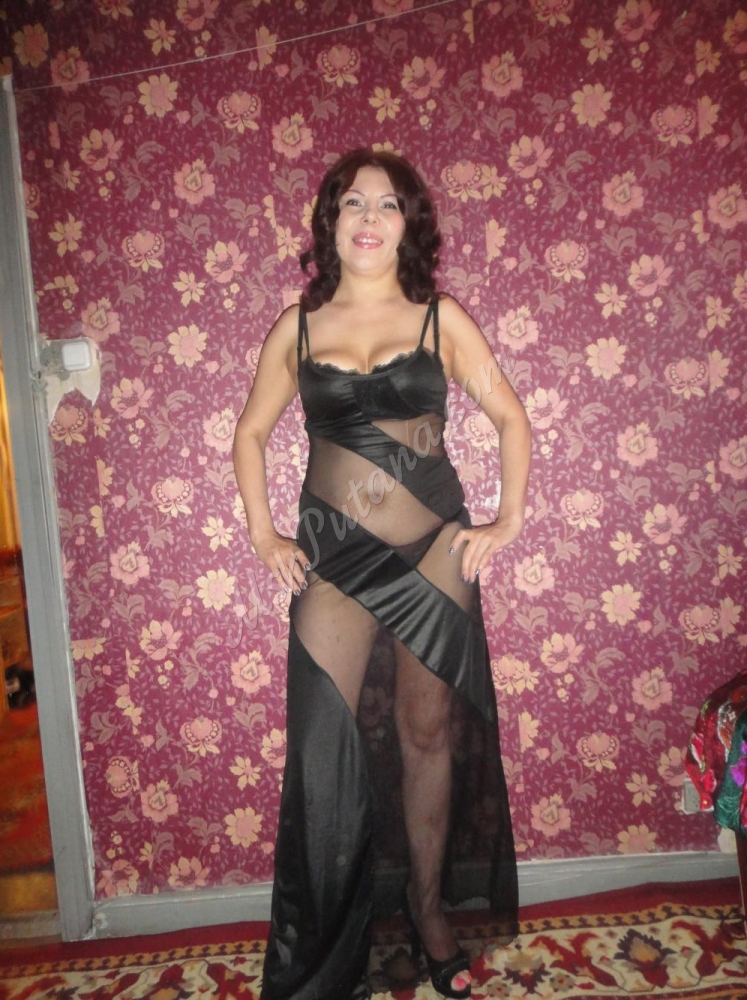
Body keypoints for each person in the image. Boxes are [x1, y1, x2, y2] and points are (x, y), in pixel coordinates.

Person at [232, 148, 531, 1000]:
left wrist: (507, 519)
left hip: (435, 551)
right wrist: (263, 533)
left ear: (409, 224)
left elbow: (510, 417)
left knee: (426, 735)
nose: (369, 217)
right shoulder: (297, 328)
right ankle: (326, 953)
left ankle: (429, 911)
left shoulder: (441, 319)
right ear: (330, 222)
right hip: (332, 558)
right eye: (353, 203)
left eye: (388, 204)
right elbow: (250, 432)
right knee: (321, 749)